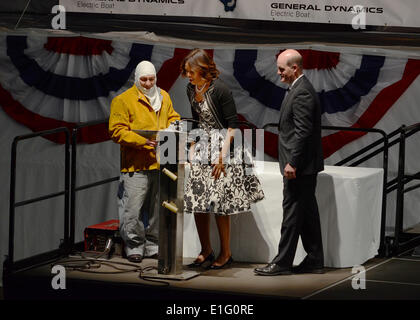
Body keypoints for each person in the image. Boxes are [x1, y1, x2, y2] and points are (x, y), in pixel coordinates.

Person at [181, 49, 265, 269]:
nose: (188, 75)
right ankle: (206, 250)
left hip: (224, 147)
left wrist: (221, 156)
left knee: (218, 202)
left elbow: (232, 126)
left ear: (202, 69)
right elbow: (197, 121)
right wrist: (190, 146)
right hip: (203, 146)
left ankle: (226, 253)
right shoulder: (190, 89)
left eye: (191, 71)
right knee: (198, 200)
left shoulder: (221, 90)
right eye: (187, 72)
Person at [254, 49, 324, 276]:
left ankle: (282, 263)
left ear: (295, 68)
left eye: (282, 69)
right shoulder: (298, 88)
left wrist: (292, 162)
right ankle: (314, 260)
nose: (278, 73)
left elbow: (303, 132)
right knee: (307, 215)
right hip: (304, 167)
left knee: (292, 215)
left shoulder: (302, 92)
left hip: (300, 167)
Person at [109, 60, 180, 263]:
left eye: (151, 79)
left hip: (159, 162)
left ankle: (152, 244)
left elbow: (173, 117)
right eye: (144, 79)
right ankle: (133, 246)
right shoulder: (123, 100)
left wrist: (172, 127)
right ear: (136, 79)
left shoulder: (163, 96)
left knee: (157, 207)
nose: (148, 83)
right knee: (133, 207)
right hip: (136, 163)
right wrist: (142, 141)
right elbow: (116, 130)